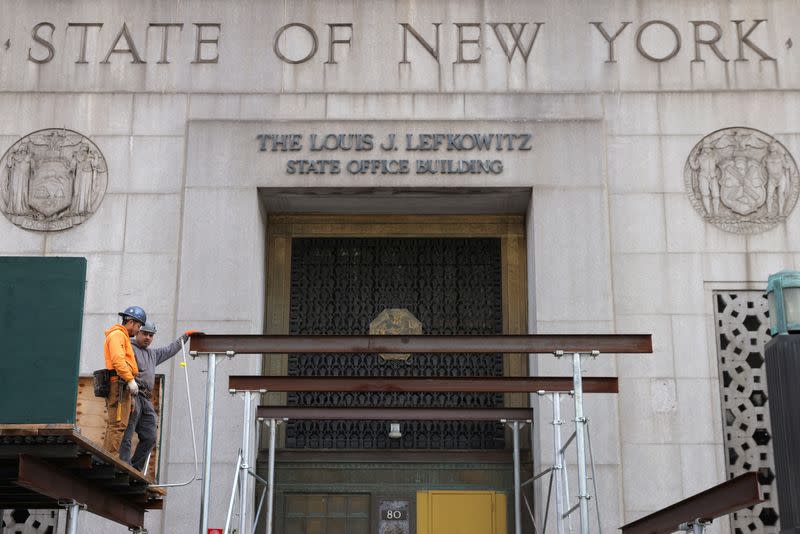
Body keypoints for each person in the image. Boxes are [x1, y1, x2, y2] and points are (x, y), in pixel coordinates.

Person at [121, 321, 197, 472]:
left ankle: (135, 469)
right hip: (132, 394)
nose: (148, 338)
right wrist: (130, 382)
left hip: (145, 397)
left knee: (150, 436)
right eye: (145, 334)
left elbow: (170, 350)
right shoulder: (128, 348)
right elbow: (119, 364)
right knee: (127, 432)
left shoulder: (152, 354)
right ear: (137, 333)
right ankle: (123, 466)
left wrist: (186, 336)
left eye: (151, 335)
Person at [103, 305, 147, 456]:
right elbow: (118, 360)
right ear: (131, 322)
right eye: (139, 326)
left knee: (117, 423)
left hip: (121, 384)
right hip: (119, 383)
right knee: (117, 423)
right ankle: (110, 458)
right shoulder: (117, 335)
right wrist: (130, 380)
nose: (138, 330)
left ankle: (109, 456)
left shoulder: (122, 336)